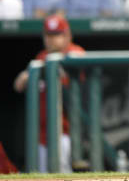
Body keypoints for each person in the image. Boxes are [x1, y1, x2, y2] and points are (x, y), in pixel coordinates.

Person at [13, 15, 84, 172]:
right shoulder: (41, 57)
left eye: (57, 35)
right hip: (42, 133)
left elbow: (80, 62)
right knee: (43, 173)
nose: (52, 40)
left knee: (62, 172)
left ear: (67, 35)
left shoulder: (74, 52)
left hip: (65, 131)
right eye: (49, 35)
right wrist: (27, 75)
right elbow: (18, 86)